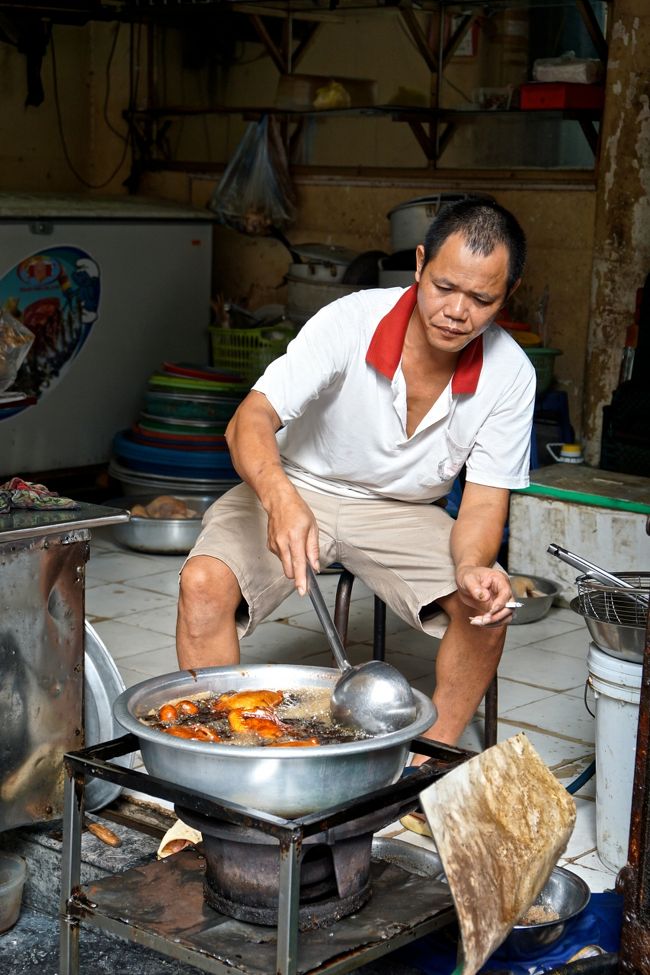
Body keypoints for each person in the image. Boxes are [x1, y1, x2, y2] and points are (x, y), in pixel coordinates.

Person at [176, 197, 536, 752]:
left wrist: (471, 566)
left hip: (403, 510)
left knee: (487, 607)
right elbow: (248, 420)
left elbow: (485, 504)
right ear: (420, 263)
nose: (456, 312)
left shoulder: (510, 373)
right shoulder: (351, 321)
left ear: (507, 294)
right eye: (444, 287)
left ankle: (426, 763)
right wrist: (280, 499)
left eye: (481, 299)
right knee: (203, 584)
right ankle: (220, 756)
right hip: (294, 484)